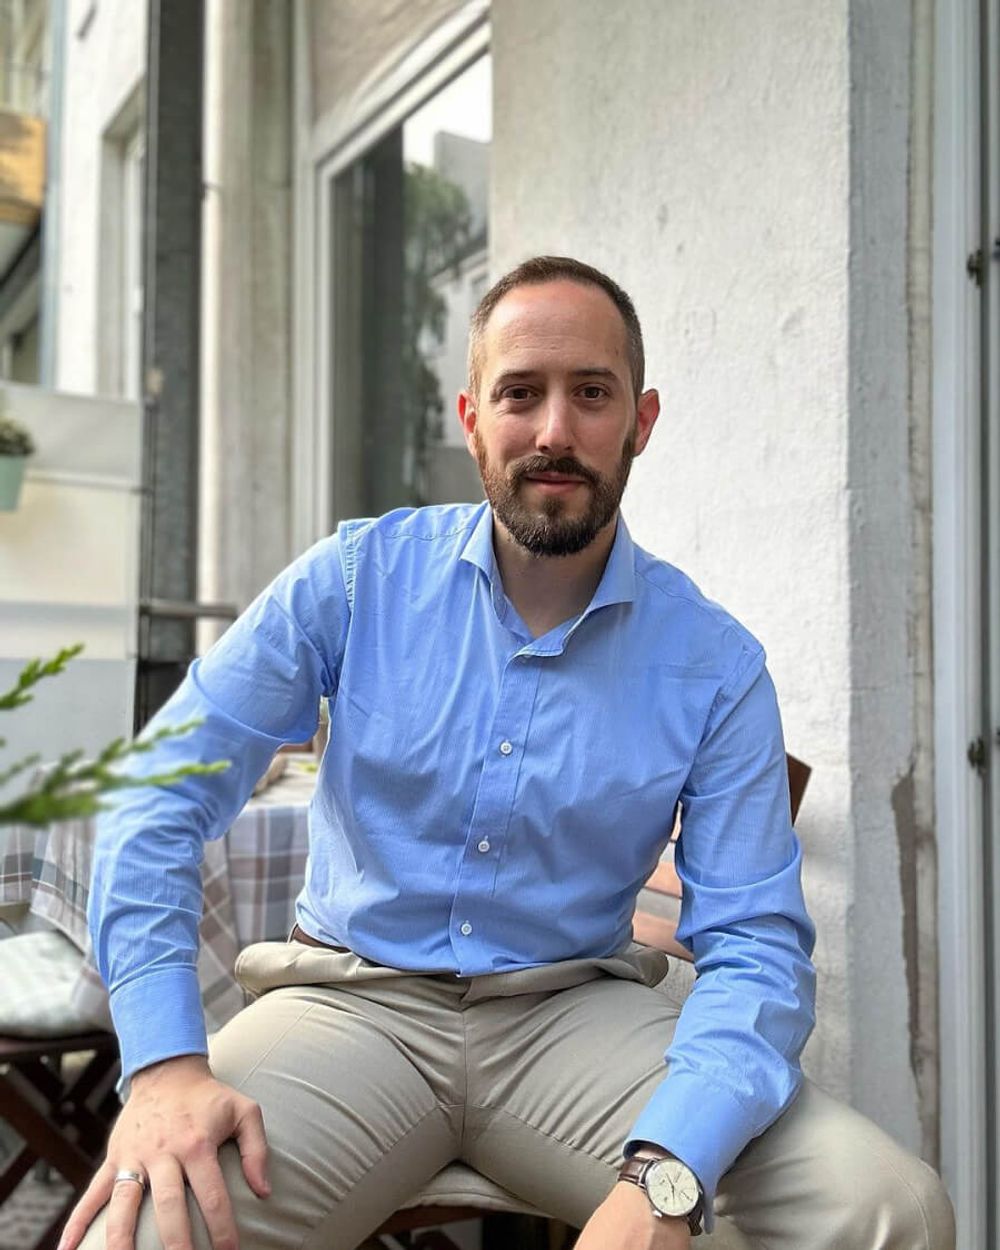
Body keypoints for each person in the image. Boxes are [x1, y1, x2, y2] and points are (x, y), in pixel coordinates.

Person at [63, 257, 954, 1250]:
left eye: (592, 393)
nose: (555, 430)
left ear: (642, 421)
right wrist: (165, 1067)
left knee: (889, 1211)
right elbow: (156, 793)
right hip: (348, 1008)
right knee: (142, 1232)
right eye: (520, 393)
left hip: (575, 1022)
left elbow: (756, 943)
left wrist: (666, 1175)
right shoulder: (357, 580)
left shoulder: (714, 662)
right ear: (472, 418)